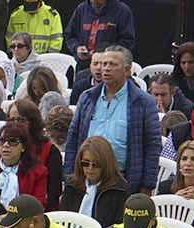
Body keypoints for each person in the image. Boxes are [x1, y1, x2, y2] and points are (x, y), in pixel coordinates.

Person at [62, 47, 162, 194]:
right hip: (86, 179)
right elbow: (73, 138)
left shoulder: (143, 102)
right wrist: (70, 177)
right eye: (104, 64)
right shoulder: (87, 98)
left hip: (124, 181)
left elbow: (153, 146)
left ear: (127, 69)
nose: (106, 68)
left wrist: (147, 185)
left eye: (113, 64)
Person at [64, 0, 136, 73]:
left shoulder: (121, 10)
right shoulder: (81, 9)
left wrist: (106, 52)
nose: (94, 1)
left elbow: (128, 41)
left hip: (110, 68)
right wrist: (77, 48)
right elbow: (69, 35)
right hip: (84, 66)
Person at [62, 136, 132, 228]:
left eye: (96, 164)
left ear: (106, 164)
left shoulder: (120, 190)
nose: (90, 168)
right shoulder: (71, 185)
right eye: (85, 163)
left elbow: (119, 227)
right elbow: (62, 220)